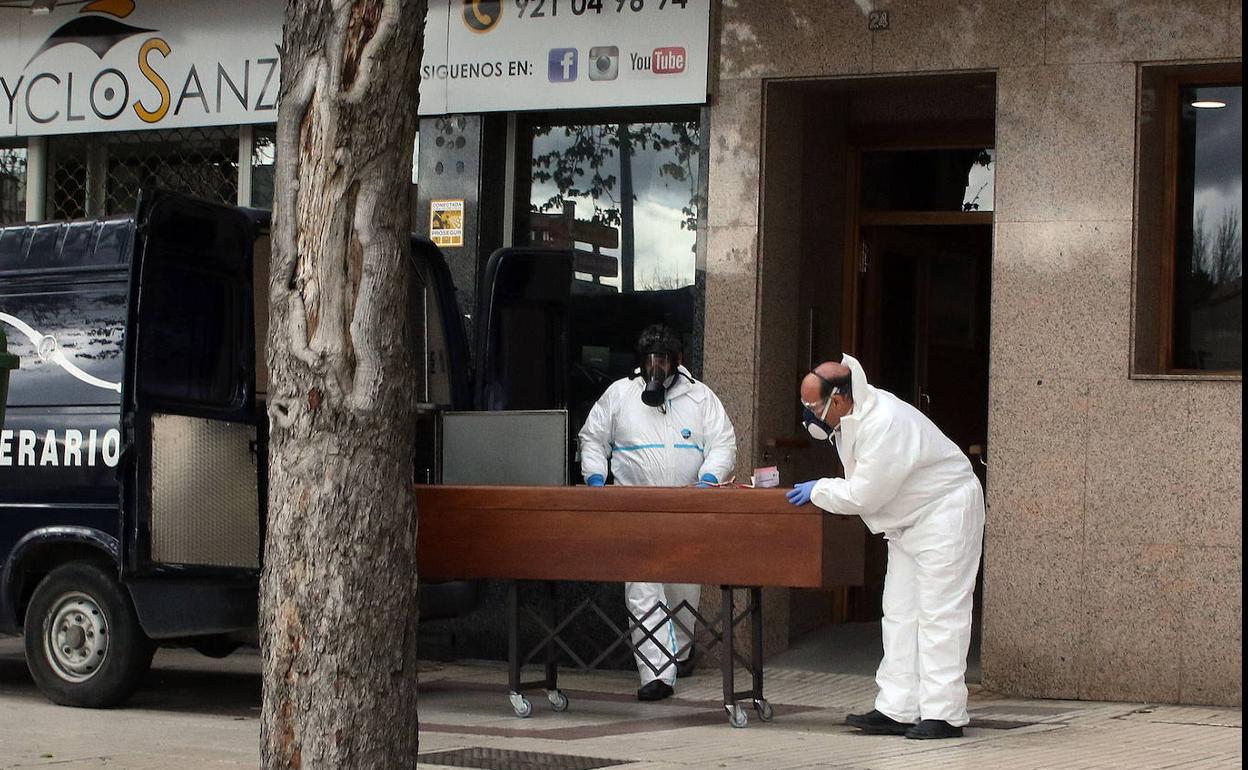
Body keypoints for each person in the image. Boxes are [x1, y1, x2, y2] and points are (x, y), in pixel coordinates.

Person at [787, 354, 984, 740]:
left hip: (944, 513)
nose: (809, 415)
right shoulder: (852, 418)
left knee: (940, 616)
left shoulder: (884, 421)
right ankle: (897, 708)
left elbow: (865, 495)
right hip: (908, 521)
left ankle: (944, 715)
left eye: (812, 407)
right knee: (899, 614)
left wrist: (820, 489)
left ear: (839, 399)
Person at [578, 324, 737, 702]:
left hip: (686, 509)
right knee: (643, 589)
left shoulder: (700, 398)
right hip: (635, 512)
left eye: (662, 360)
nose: (656, 368)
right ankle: (656, 674)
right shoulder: (620, 395)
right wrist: (596, 479)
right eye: (650, 360)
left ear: (677, 361)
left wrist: (709, 480)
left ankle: (680, 653)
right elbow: (593, 438)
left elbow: (723, 441)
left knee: (683, 587)